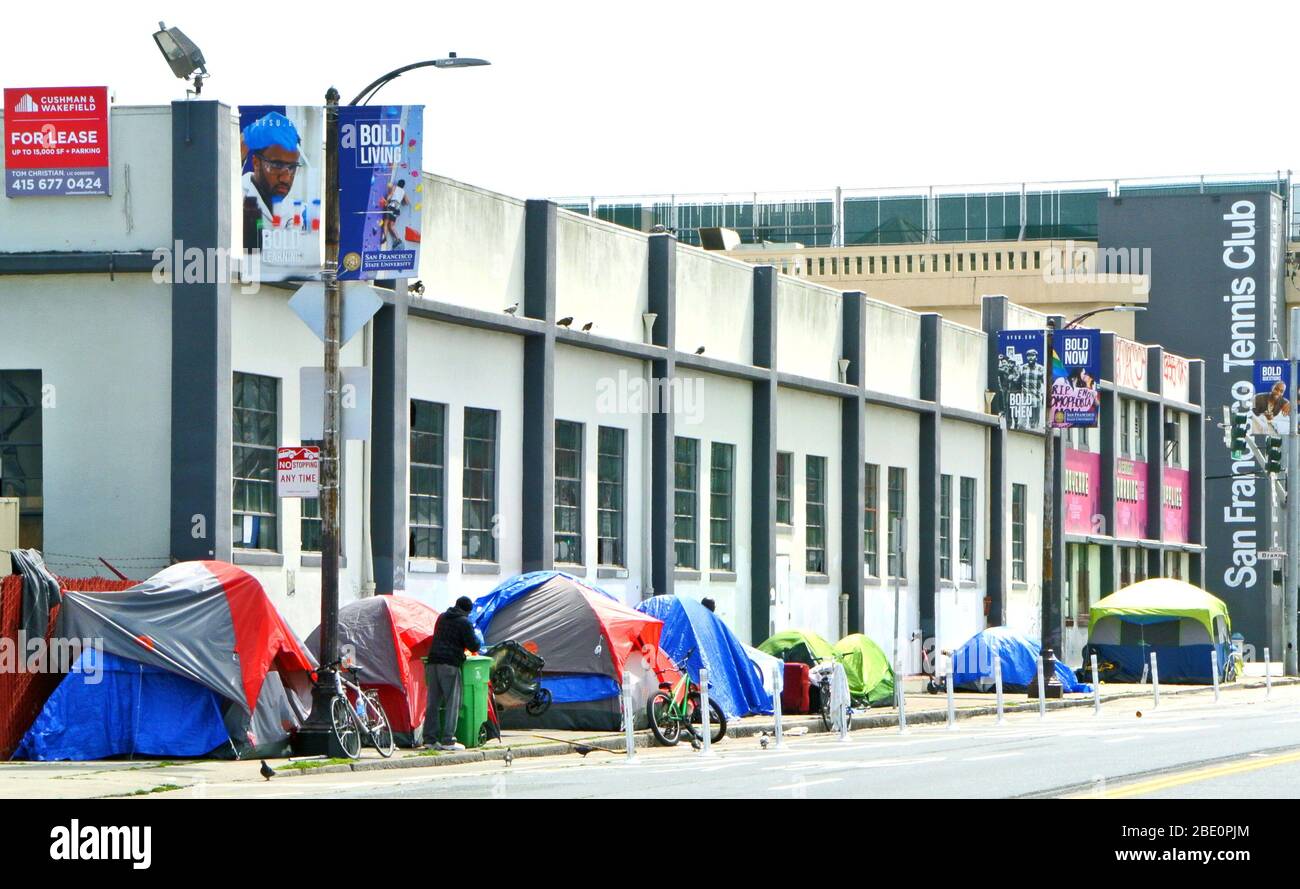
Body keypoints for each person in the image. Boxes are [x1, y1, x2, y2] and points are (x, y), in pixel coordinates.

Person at [421, 596, 480, 751]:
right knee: (452, 703)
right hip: (449, 664)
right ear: (467, 611)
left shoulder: (442, 617)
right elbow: (473, 645)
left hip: (432, 663)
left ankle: (429, 739)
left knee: (432, 703)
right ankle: (448, 740)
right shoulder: (464, 622)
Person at [240, 111, 304, 251]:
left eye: (292, 167)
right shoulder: (236, 196)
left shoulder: (294, 208)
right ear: (256, 162)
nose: (286, 178)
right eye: (277, 165)